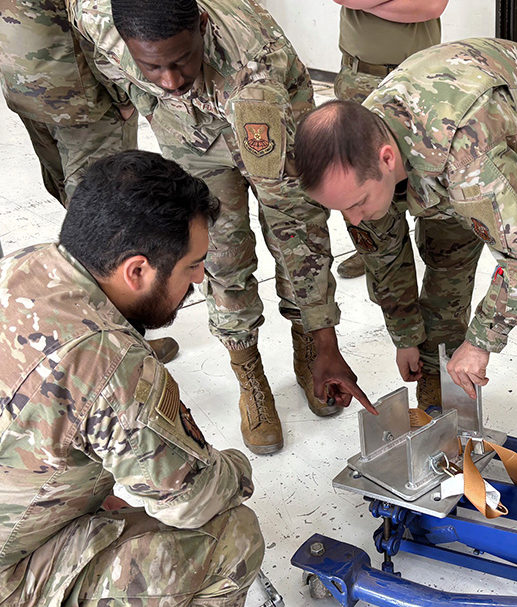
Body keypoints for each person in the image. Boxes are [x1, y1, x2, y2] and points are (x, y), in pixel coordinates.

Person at [68, 0, 376, 456]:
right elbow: (99, 52)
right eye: (153, 66)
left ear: (203, 29)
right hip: (186, 131)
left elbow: (296, 233)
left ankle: (310, 349)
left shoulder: (253, 75)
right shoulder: (97, 16)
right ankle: (247, 370)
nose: (170, 79)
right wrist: (141, 99)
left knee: (294, 229)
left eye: (180, 61)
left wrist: (325, 337)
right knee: (217, 253)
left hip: (270, 126)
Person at [0, 150, 264, 607]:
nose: (200, 280)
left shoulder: (27, 265)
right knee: (234, 538)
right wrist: (236, 468)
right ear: (137, 270)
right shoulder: (111, 364)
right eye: (193, 266)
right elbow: (188, 502)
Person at [295, 38, 517, 473]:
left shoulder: (468, 157)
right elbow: (383, 251)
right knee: (445, 264)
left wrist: (481, 342)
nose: (353, 217)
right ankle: (439, 384)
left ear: (387, 160)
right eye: (341, 208)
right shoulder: (359, 156)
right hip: (448, 148)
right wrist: (405, 334)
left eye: (358, 202)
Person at [0, 0, 180, 363]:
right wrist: (123, 92)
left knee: (91, 221)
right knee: (107, 229)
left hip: (36, 84)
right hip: (74, 96)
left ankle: (108, 335)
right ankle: (116, 345)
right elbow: (100, 13)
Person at [331, 0, 448, 280]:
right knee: (364, 170)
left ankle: (434, 248)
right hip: (360, 75)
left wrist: (366, 5)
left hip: (419, 78)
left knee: (424, 168)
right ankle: (373, 248)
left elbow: (432, 6)